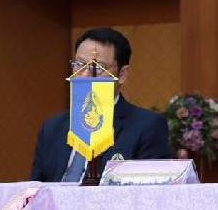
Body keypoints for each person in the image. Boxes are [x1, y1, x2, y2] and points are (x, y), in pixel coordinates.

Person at [30, 28, 170, 181]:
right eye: (79, 65)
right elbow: (35, 191)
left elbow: (148, 194)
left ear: (122, 75)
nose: (85, 75)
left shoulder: (147, 126)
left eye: (97, 68)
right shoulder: (52, 128)